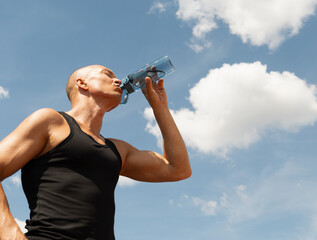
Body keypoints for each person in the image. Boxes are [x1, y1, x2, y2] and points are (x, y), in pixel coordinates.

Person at [0, 64, 192, 240]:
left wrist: (160, 108)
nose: (118, 80)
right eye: (107, 75)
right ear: (82, 83)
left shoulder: (117, 149)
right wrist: (10, 234)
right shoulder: (51, 121)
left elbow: (178, 169)